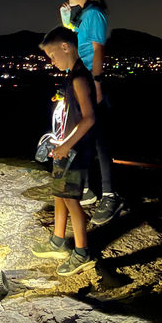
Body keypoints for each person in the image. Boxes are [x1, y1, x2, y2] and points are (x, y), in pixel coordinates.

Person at [59, 0, 124, 225]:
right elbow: (78, 40)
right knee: (83, 135)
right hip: (80, 79)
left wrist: (97, 83)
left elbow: (97, 51)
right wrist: (67, 22)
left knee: (98, 139)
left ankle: (110, 195)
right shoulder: (85, 14)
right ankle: (85, 190)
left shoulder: (94, 13)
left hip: (89, 80)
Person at [31, 27, 97, 276]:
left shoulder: (80, 78)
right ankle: (57, 241)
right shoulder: (72, 77)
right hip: (65, 149)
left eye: (52, 55)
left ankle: (82, 253)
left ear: (65, 47)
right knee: (59, 194)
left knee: (71, 200)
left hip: (74, 153)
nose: (51, 61)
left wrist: (66, 145)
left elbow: (89, 118)